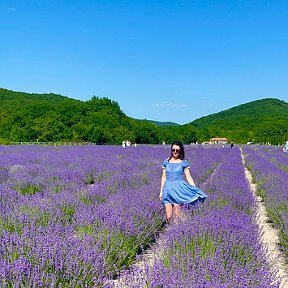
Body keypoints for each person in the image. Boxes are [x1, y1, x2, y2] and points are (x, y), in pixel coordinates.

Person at [159, 140, 208, 223]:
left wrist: (194, 188)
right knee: (168, 216)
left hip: (179, 190)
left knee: (177, 217)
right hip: (167, 189)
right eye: (173, 150)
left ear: (180, 150)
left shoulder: (184, 162)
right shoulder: (166, 162)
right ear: (171, 150)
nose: (175, 152)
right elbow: (163, 177)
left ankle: (175, 233)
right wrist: (161, 191)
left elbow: (188, 177)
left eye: (177, 150)